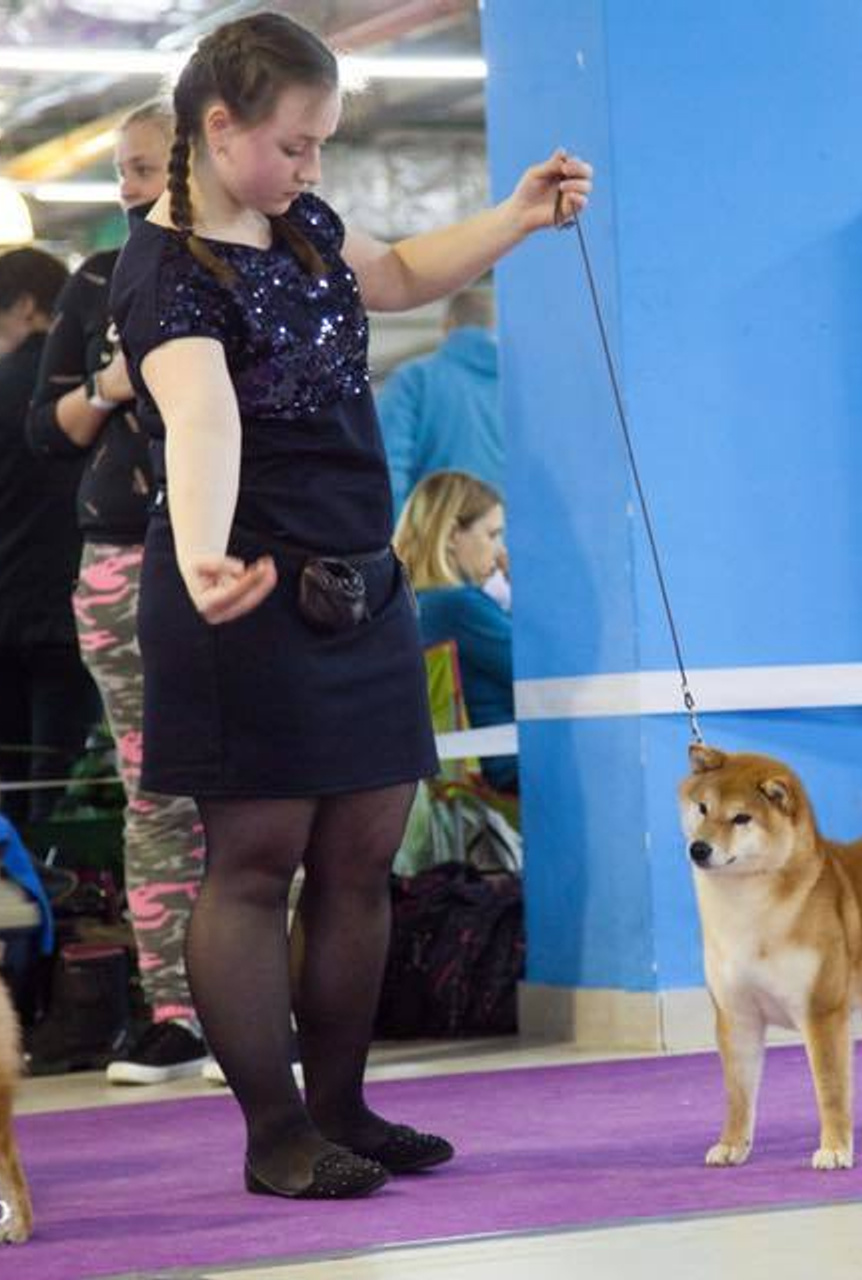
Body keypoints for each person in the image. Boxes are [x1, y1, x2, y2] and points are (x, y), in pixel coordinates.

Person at [109, 12, 589, 1198]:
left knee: (362, 858)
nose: (312, 167)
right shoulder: (159, 271)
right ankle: (274, 1133)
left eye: (322, 144)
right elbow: (204, 420)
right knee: (253, 864)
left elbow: (403, 272)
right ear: (217, 130)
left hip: (360, 581)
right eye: (294, 144)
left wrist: (517, 218)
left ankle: (343, 1107)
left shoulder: (301, 223)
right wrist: (209, 551)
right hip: (244, 590)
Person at [25, 100, 211, 1086]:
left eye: (148, 170)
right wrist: (112, 386)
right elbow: (46, 431)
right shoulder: (100, 276)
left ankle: (253, 1002)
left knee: (253, 788)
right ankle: (174, 1008)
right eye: (125, 172)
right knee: (155, 794)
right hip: (121, 554)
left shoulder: (247, 258)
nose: (133, 190)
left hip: (230, 553)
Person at [0, 247, 99, 830]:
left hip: (4, 612)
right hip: (74, 612)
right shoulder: (94, 393)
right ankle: (62, 902)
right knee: (64, 794)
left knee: (9, 788)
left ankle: (15, 911)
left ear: (28, 306)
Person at [394, 471, 516, 792]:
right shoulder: (459, 607)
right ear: (451, 536)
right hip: (509, 768)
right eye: (493, 535)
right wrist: (525, 590)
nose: (501, 551)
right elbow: (539, 670)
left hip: (451, 780)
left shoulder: (416, 606)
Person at [378, 287, 501, 517]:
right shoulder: (521, 389)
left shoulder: (414, 380)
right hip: (503, 544)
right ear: (494, 327)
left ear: (448, 325)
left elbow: (387, 473)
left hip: (434, 541)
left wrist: (403, 541)